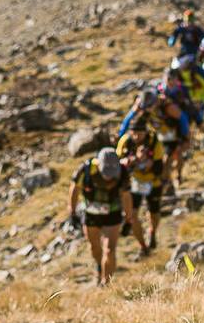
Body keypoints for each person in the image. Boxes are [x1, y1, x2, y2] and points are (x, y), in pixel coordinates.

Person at [62, 148, 138, 286]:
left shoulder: (123, 172)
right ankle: (99, 266)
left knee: (110, 250)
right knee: (94, 247)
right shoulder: (86, 169)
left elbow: (127, 196)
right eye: (105, 173)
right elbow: (74, 189)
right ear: (99, 165)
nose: (109, 177)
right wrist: (72, 212)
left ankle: (106, 282)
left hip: (112, 214)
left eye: (112, 174)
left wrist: (128, 219)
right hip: (91, 214)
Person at [116, 119, 168, 254]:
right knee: (132, 215)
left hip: (153, 182)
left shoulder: (154, 141)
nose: (137, 137)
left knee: (154, 212)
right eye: (134, 133)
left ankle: (152, 232)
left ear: (145, 132)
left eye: (140, 133)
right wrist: (130, 161)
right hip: (135, 182)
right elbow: (117, 164)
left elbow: (159, 167)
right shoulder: (125, 141)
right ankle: (143, 246)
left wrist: (149, 164)